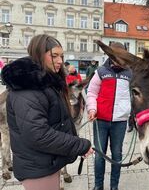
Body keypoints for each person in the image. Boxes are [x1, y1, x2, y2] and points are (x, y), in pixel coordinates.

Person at [1, 34, 94, 190]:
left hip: (48, 161)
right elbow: (38, 135)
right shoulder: (28, 89)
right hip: (37, 168)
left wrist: (76, 147)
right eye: (54, 55)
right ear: (38, 55)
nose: (60, 61)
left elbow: (59, 123)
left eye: (62, 56)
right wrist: (79, 145)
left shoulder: (47, 83)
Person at [86, 42, 132, 190]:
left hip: (120, 122)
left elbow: (135, 95)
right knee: (99, 155)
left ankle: (114, 186)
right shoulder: (101, 71)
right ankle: (98, 186)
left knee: (117, 156)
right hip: (100, 120)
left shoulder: (130, 73)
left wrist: (132, 113)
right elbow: (91, 93)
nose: (118, 58)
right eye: (114, 55)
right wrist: (92, 109)